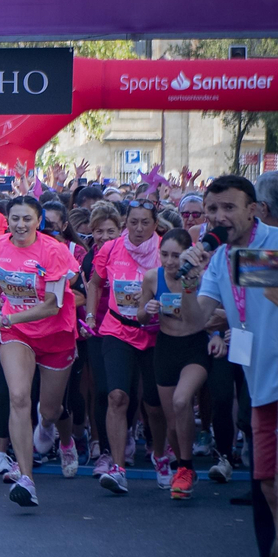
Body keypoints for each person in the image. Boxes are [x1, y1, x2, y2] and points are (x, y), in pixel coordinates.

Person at [177, 176, 278, 557]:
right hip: (261, 385)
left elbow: (271, 283)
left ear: (253, 210)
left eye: (228, 208)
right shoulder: (217, 258)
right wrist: (191, 280)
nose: (217, 217)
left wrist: (230, 262)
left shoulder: (272, 244)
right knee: (269, 489)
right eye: (211, 209)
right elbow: (197, 319)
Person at [0, 197, 80, 508]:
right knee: (18, 397)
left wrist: (6, 317)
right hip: (17, 334)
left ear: (38, 221)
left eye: (27, 219)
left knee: (49, 410)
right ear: (7, 220)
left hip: (56, 335)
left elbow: (53, 304)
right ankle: (27, 478)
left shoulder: (54, 251)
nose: (20, 225)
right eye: (15, 218)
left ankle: (63, 437)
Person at [87, 200, 168, 492]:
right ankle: (118, 467)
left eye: (145, 222)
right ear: (125, 223)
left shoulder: (165, 251)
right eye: (133, 222)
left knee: (154, 405)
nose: (138, 228)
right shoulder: (110, 249)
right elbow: (95, 283)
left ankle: (160, 455)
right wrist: (90, 314)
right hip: (117, 328)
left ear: (155, 225)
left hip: (156, 333)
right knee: (117, 396)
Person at [143, 229, 209, 500]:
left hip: (194, 347)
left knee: (183, 401)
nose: (169, 262)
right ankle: (182, 466)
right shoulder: (151, 277)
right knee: (172, 423)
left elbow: (213, 314)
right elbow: (140, 317)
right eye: (164, 255)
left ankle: (186, 467)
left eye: (176, 256)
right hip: (165, 348)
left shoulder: (201, 279)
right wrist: (146, 311)